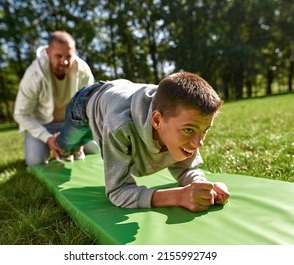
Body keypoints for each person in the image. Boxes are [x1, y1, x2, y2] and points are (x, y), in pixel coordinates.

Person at [53, 72, 230, 212]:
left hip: (118, 92)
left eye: (204, 131)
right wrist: (177, 197)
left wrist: (204, 187)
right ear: (157, 121)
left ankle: (87, 140)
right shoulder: (120, 125)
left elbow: (186, 168)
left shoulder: (177, 117)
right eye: (189, 130)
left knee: (89, 143)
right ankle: (55, 140)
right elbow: (117, 191)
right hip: (84, 102)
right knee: (66, 144)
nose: (199, 143)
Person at [13, 31, 98, 166]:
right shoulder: (34, 74)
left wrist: (80, 135)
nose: (64, 61)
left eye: (68, 56)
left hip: (71, 124)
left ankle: (68, 146)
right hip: (42, 124)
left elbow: (89, 107)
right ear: (48, 52)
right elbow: (21, 114)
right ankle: (52, 147)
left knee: (95, 150)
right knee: (35, 161)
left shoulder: (84, 71)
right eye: (58, 56)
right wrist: (47, 138)